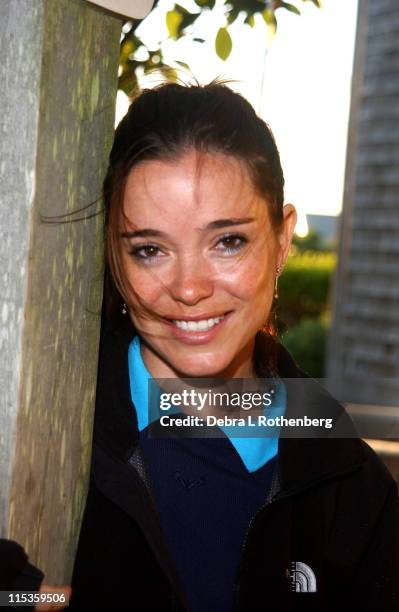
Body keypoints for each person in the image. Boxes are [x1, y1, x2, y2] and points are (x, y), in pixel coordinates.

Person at [4, 80, 398, 611]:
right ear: (113, 259)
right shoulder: (35, 417)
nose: (189, 288)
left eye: (228, 241)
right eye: (149, 249)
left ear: (282, 240)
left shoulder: (351, 482)